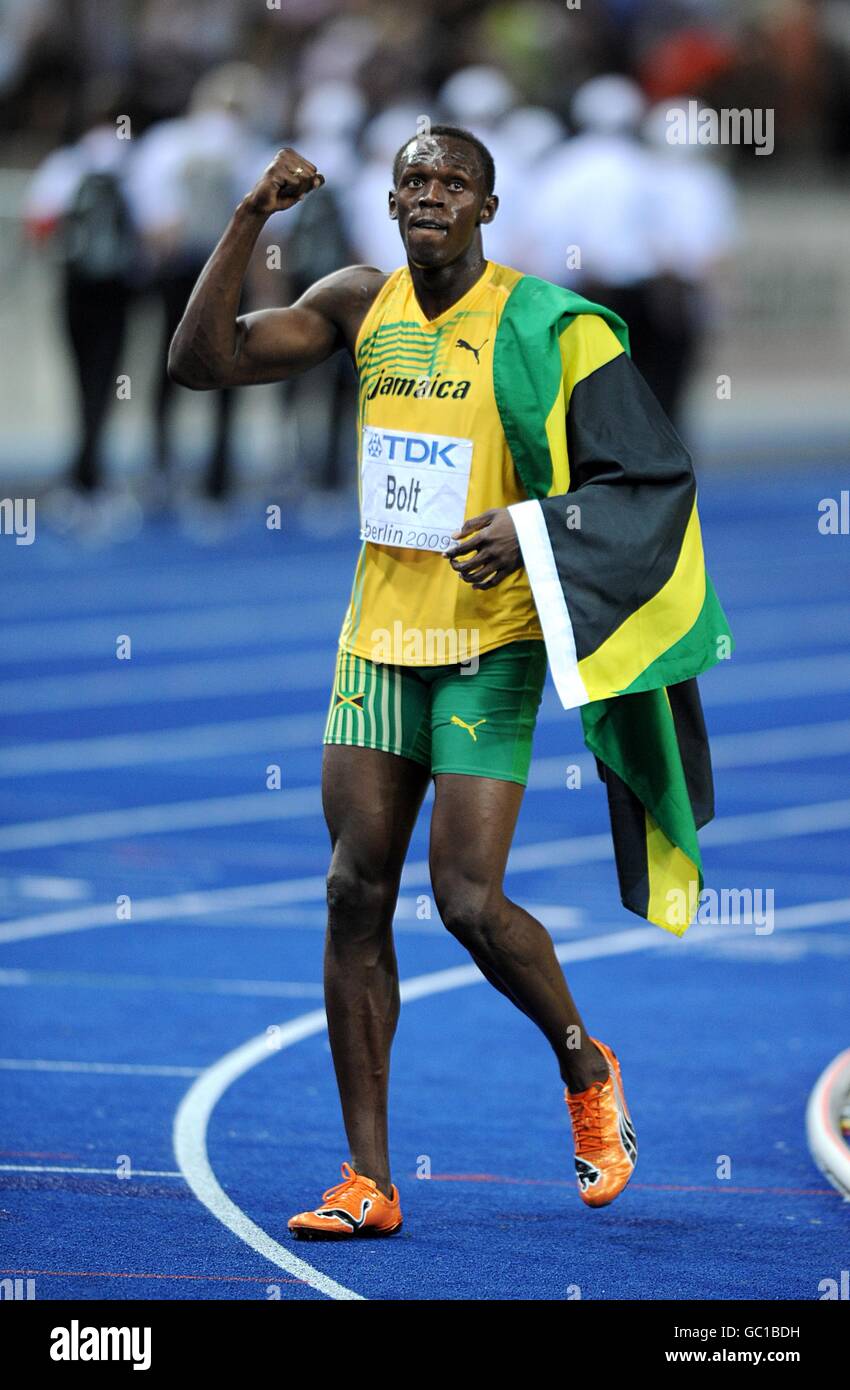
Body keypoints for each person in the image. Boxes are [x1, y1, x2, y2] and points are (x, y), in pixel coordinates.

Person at [168, 124, 719, 1240]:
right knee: (351, 891)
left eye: (451, 182)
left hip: (490, 642)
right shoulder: (359, 301)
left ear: (487, 206)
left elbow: (648, 476)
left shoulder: (543, 325)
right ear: (392, 200)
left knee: (465, 898)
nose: (429, 195)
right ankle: (368, 1178)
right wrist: (247, 218)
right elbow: (201, 360)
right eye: (413, 180)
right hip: (375, 643)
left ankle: (582, 1063)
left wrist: (529, 527)